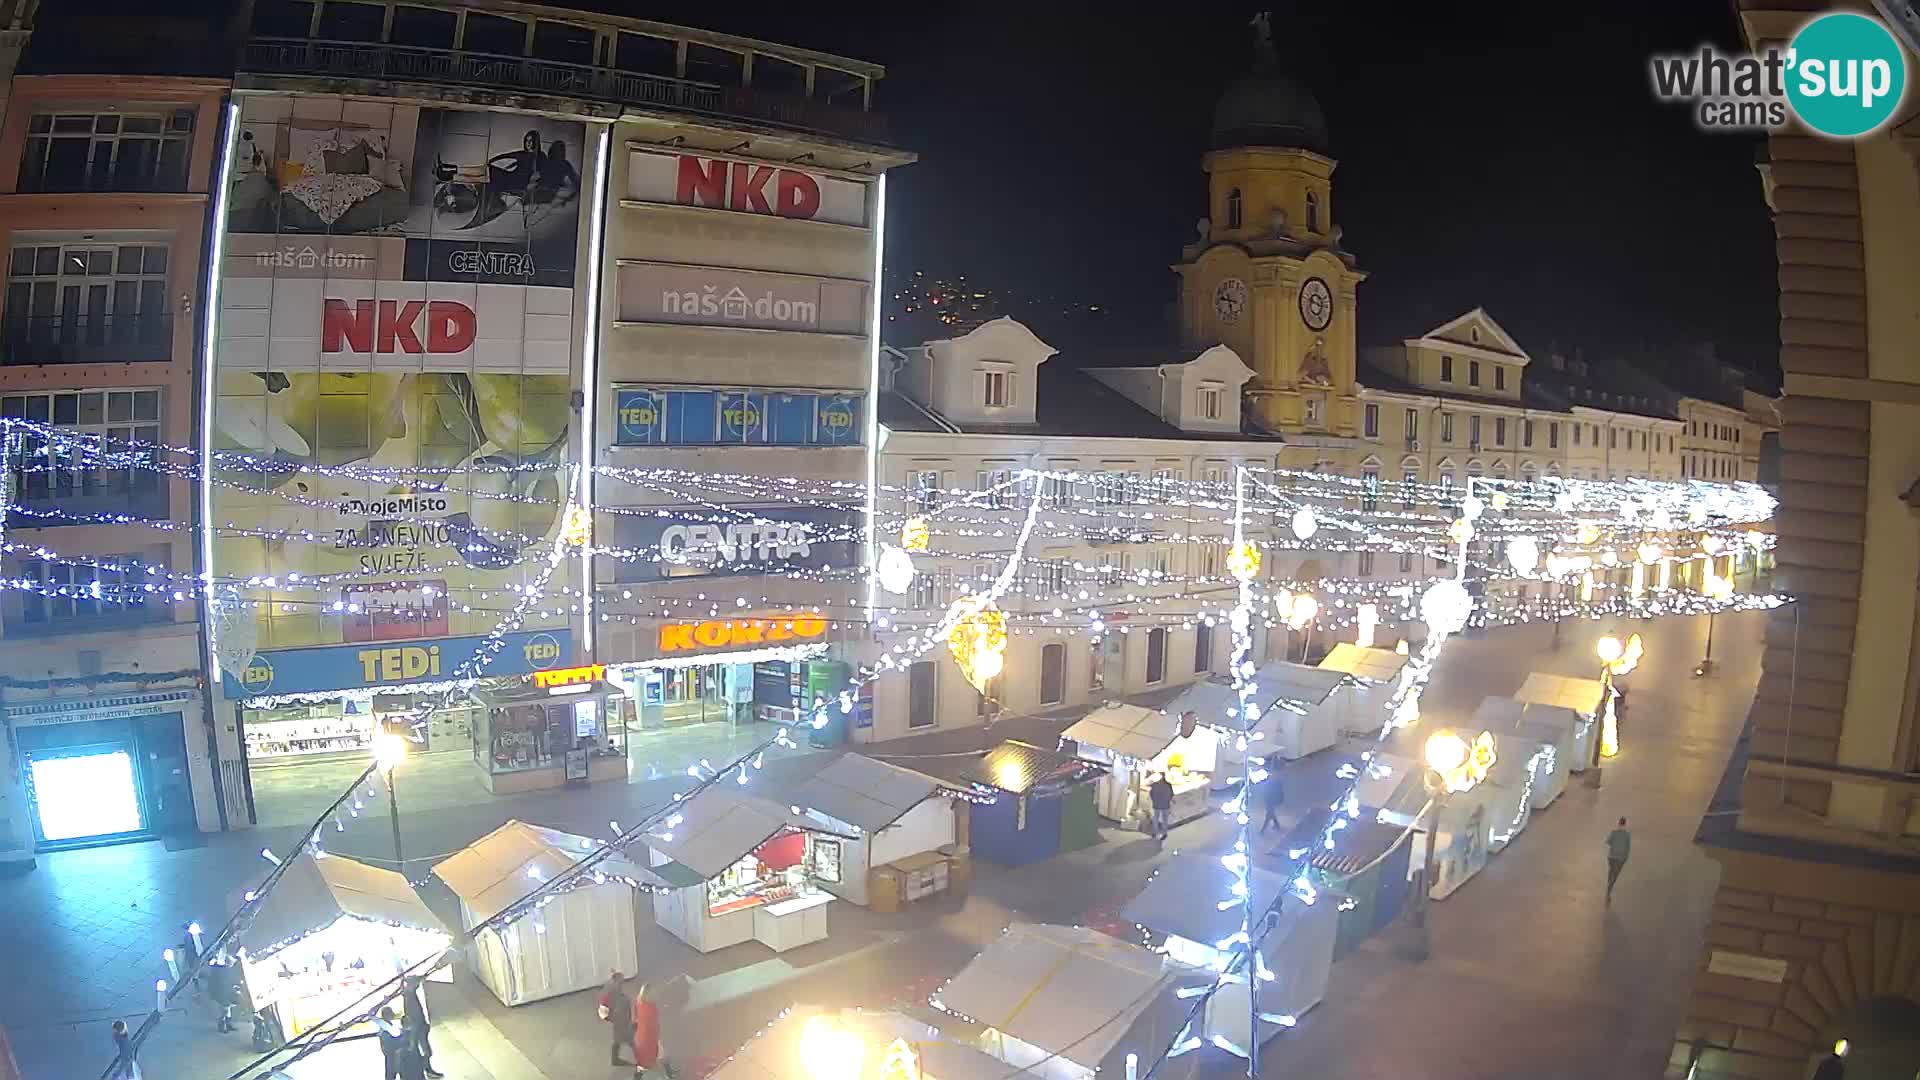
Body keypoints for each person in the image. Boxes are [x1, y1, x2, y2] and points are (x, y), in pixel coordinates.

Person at [400, 976, 442, 1079]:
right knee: (425, 1051)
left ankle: (426, 1070)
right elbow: (415, 1014)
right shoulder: (410, 996)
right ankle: (426, 1070)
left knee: (425, 1051)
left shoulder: (408, 994)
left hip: (419, 1027)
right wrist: (422, 1025)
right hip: (418, 1028)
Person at [599, 970, 634, 1066]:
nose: (621, 985)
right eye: (620, 982)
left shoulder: (617, 992)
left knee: (618, 1040)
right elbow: (603, 1012)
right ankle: (642, 1059)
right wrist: (612, 1019)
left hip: (622, 1020)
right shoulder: (609, 995)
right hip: (620, 1022)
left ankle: (615, 1059)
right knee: (631, 1040)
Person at [630, 983, 662, 1079]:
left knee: (642, 1057)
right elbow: (654, 1024)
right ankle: (670, 1072)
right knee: (658, 1053)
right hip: (650, 1036)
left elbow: (635, 1016)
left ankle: (637, 1076)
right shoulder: (651, 1007)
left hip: (641, 1034)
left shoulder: (638, 1002)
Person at [1605, 817, 1632, 904]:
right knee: (1615, 874)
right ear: (1625, 824)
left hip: (1611, 856)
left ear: (1619, 823)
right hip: (1621, 858)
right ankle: (1610, 887)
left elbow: (1608, 842)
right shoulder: (1627, 835)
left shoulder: (1613, 832)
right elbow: (1628, 848)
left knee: (1611, 870)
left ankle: (1609, 883)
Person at [376, 1007, 408, 1080]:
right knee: (393, 1072)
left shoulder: (385, 1026)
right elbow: (390, 1042)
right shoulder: (385, 1028)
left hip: (390, 1054)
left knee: (392, 1073)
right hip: (392, 1053)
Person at [1147, 773, 1175, 842]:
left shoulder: (1154, 785)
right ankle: (1164, 833)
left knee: (1155, 819)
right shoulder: (1168, 785)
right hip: (1165, 805)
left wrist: (1154, 801)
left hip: (1156, 805)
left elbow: (1151, 794)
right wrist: (1168, 800)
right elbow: (1171, 794)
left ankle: (1155, 833)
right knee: (1165, 820)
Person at [1259, 768, 1286, 833]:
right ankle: (1276, 825)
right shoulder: (1275, 781)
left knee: (1269, 814)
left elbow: (1273, 792)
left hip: (1271, 800)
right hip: (1271, 800)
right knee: (1270, 813)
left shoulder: (1274, 782)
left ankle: (1263, 829)